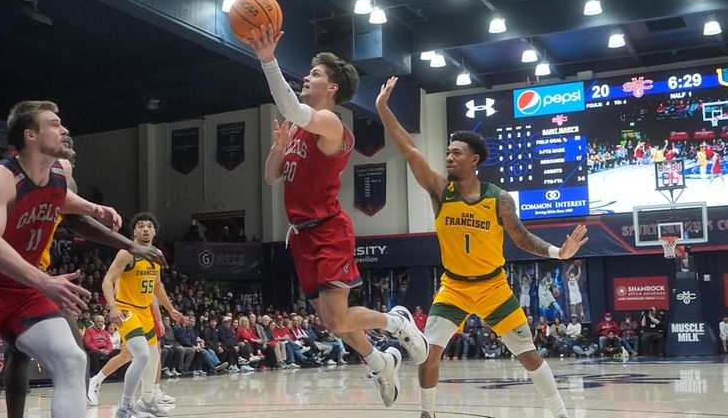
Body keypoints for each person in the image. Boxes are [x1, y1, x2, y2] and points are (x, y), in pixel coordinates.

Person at [376, 77, 588, 418]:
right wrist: (383, 110)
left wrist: (557, 253)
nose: (448, 158)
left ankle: (561, 413)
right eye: (447, 152)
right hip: (454, 287)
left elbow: (521, 237)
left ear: (474, 159)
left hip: (493, 287)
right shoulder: (439, 190)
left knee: (529, 354)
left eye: (455, 153)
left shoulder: (499, 199)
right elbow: (408, 149)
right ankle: (427, 414)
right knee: (430, 353)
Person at [244, 24, 427, 407]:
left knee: (340, 320)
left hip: (328, 230)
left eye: (314, 74)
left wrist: (268, 62)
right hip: (302, 235)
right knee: (331, 321)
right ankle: (381, 361)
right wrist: (278, 148)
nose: (306, 78)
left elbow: (292, 107)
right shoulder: (297, 128)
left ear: (332, 89)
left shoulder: (330, 123)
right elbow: (271, 176)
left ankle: (396, 322)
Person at [0, 101, 122, 418]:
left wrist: (92, 208)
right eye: (55, 124)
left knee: (72, 360)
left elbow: (61, 196)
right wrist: (44, 281)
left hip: (21, 291)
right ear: (30, 135)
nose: (65, 129)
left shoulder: (61, 172)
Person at [102, 212, 183, 418]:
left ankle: (146, 401)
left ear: (155, 231)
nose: (145, 229)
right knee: (142, 355)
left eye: (149, 226)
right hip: (126, 308)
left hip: (144, 311)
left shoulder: (156, 254)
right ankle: (124, 407)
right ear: (134, 231)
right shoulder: (127, 252)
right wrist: (112, 307)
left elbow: (157, 285)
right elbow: (107, 280)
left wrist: (171, 309)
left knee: (153, 357)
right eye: (140, 226)